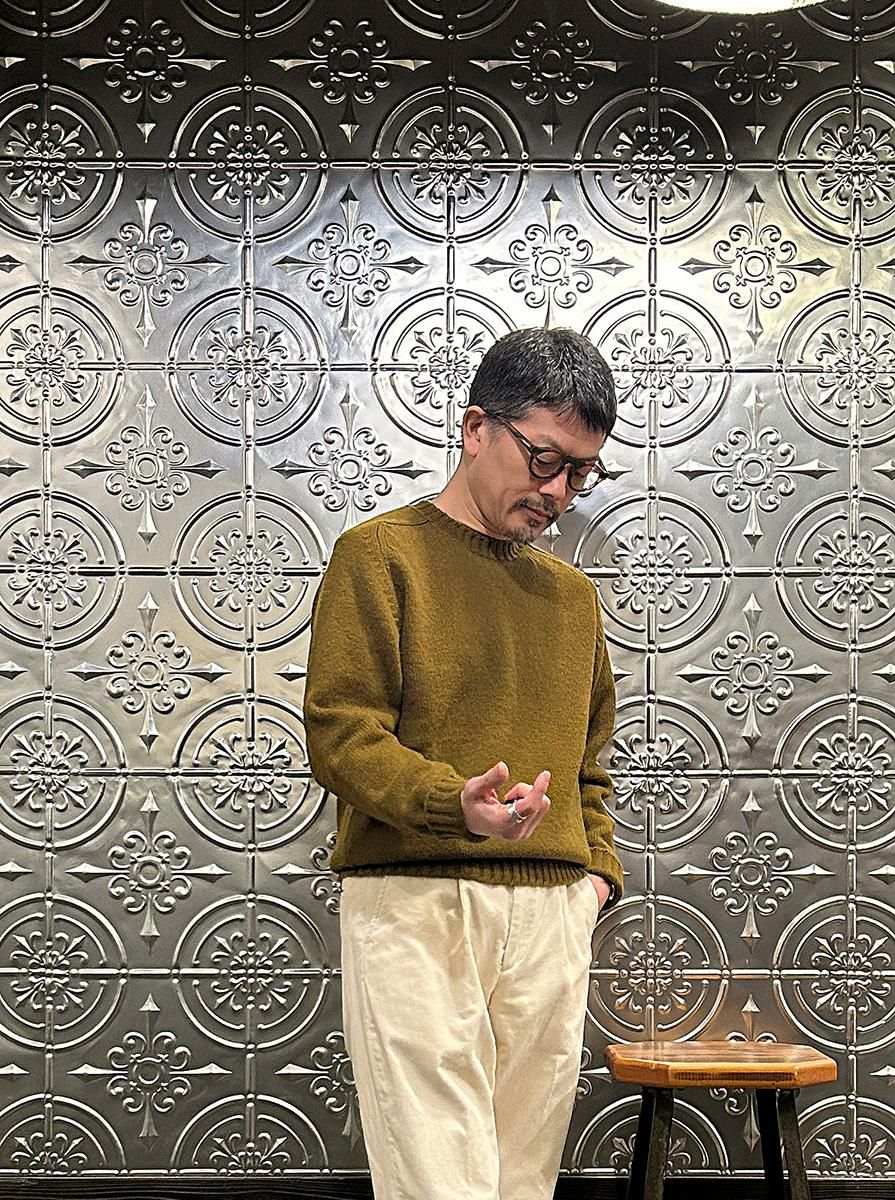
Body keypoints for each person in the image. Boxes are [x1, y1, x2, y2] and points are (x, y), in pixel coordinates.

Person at [302, 326, 625, 1200]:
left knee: (522, 1181)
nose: (557, 492)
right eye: (543, 460)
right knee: (438, 1180)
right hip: (417, 900)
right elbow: (341, 732)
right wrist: (456, 804)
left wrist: (595, 878)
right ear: (476, 427)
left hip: (553, 909)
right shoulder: (380, 556)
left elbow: (590, 758)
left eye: (581, 473)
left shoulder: (572, 597)